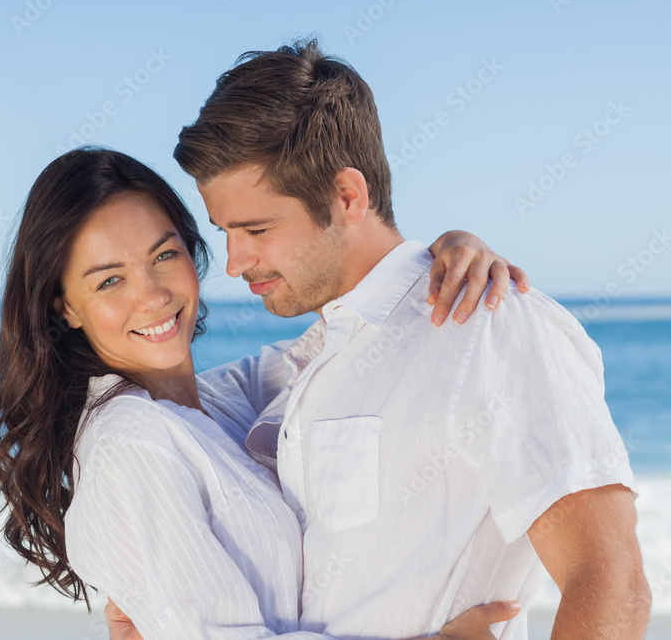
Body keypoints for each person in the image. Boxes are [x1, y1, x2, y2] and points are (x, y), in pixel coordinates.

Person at [106, 39, 649, 639]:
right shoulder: (310, 360)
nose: (234, 263)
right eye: (225, 232)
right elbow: (154, 399)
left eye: (256, 228)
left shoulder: (492, 324)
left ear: (347, 197)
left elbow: (611, 584)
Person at [0, 146, 531, 638]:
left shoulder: (215, 403)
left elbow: (343, 340)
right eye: (109, 280)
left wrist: (444, 254)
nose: (151, 295)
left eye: (164, 256)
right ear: (66, 307)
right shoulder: (131, 442)